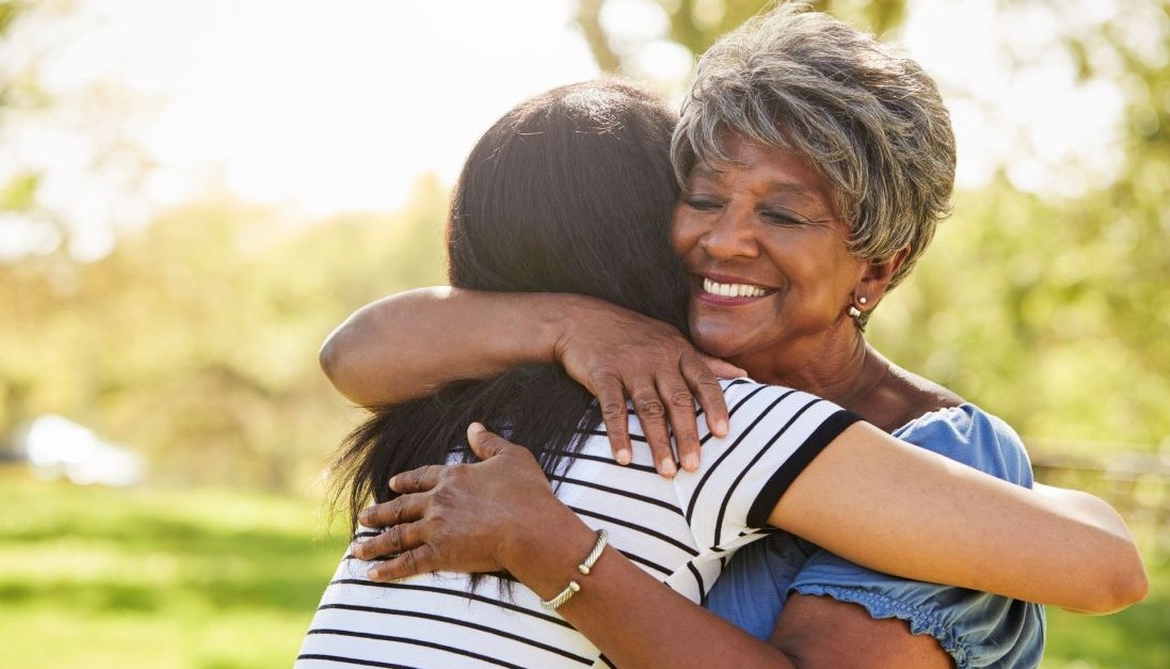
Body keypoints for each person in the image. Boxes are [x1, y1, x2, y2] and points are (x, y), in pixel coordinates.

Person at [318, 6, 1147, 669]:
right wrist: (577, 322)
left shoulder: (913, 444)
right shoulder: (628, 376)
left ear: (880, 270)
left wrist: (557, 553)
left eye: (783, 214)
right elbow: (352, 352)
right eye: (704, 198)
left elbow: (1109, 566)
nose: (725, 241)